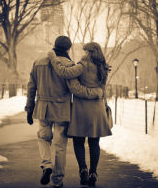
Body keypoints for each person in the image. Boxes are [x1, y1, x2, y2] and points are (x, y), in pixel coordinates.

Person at [25, 36, 103, 188]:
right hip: (62, 109)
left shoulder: (38, 61)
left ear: (54, 45)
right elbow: (75, 88)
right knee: (60, 146)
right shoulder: (69, 64)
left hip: (43, 107)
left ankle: (46, 165)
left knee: (43, 137)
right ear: (68, 49)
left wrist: (29, 109)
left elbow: (31, 87)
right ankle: (57, 180)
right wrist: (96, 92)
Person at [48, 42, 112, 187]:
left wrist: (53, 58)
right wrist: (97, 93)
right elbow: (101, 88)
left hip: (81, 109)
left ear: (89, 52)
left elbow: (64, 72)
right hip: (97, 109)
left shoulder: (82, 66)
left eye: (84, 51)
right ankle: (93, 172)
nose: (83, 53)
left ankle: (83, 169)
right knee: (94, 142)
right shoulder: (103, 66)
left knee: (78, 141)